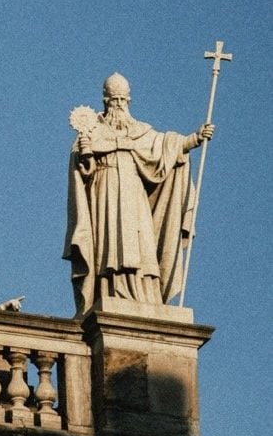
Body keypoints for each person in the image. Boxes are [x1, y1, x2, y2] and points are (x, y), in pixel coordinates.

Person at [64, 72, 213, 315]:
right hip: (106, 191)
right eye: (114, 101)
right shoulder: (91, 132)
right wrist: (86, 156)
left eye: (123, 100)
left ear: (129, 101)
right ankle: (109, 290)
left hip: (134, 194)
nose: (119, 106)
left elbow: (166, 144)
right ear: (105, 102)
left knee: (140, 245)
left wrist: (195, 138)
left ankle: (145, 293)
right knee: (110, 245)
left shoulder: (140, 131)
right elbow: (84, 173)